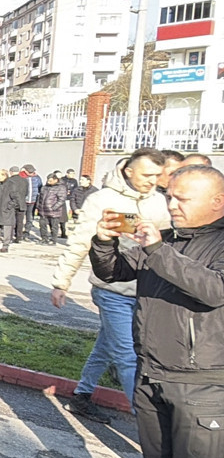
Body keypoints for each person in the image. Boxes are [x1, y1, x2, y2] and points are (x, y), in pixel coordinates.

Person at [89, 165, 224, 458]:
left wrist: (158, 249)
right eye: (170, 197)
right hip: (153, 371)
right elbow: (113, 272)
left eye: (183, 198)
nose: (172, 204)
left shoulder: (208, 244)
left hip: (203, 381)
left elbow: (213, 290)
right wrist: (104, 241)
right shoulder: (165, 239)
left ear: (218, 201)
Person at [51, 148, 170, 422]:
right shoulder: (102, 200)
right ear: (129, 170)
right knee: (128, 356)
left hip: (146, 292)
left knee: (107, 345)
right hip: (112, 291)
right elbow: (80, 242)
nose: (152, 181)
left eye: (157, 175)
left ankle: (81, 396)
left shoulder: (159, 202)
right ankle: (148, 427)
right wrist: (61, 283)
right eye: (147, 175)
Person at [0, 167, 26, 252]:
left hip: (7, 210)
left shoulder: (11, 185)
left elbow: (16, 198)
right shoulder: (0, 184)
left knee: (7, 228)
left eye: (0, 176)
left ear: (5, 175)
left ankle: (5, 246)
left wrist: (9, 207)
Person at [37, 173, 69, 245]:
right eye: (48, 180)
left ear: (56, 180)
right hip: (43, 210)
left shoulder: (61, 188)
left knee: (54, 226)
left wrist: (54, 208)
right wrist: (38, 206)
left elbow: (61, 200)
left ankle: (53, 240)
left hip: (54, 211)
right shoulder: (44, 187)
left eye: (50, 180)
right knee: (42, 225)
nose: (48, 182)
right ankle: (44, 239)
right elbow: (39, 197)